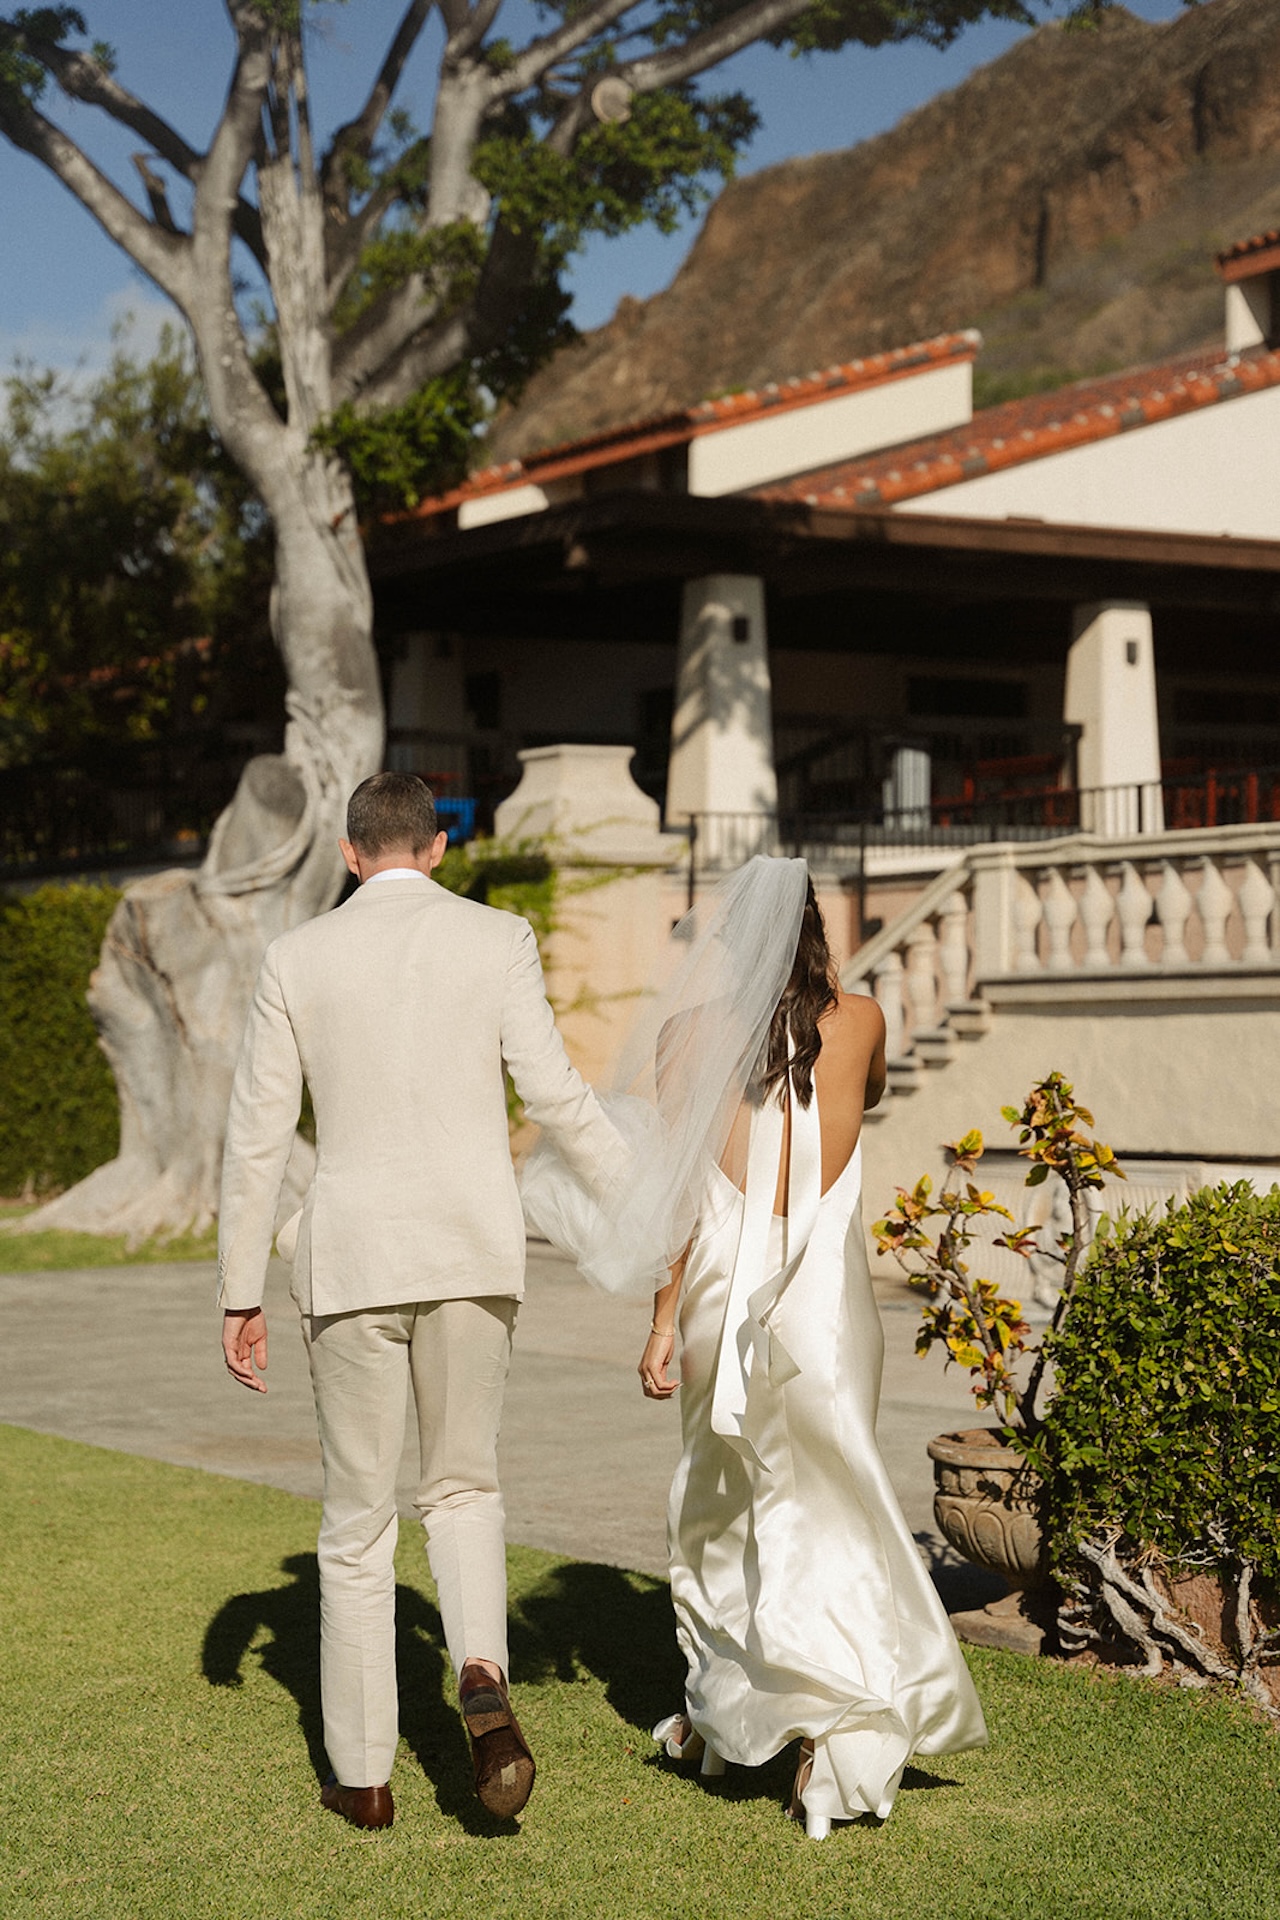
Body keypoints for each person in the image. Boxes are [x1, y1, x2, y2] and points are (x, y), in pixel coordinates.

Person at [523, 855, 987, 1839]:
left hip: (725, 1294)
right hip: (826, 1296)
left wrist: (659, 1318)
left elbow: (681, 1192)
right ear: (817, 927)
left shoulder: (689, 1034)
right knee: (831, 1505)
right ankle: (829, 1734)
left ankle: (723, 1713)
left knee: (723, 1510)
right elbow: (849, 1110)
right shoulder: (861, 1021)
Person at [217, 772, 622, 1832]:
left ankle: (362, 1777)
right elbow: (553, 1095)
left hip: (351, 1260)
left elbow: (257, 1138)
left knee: (356, 1524)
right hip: (471, 1249)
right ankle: (479, 1670)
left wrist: (237, 1289)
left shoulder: (297, 957)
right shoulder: (499, 939)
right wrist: (641, 1200)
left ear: (351, 855)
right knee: (462, 1489)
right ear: (437, 850)